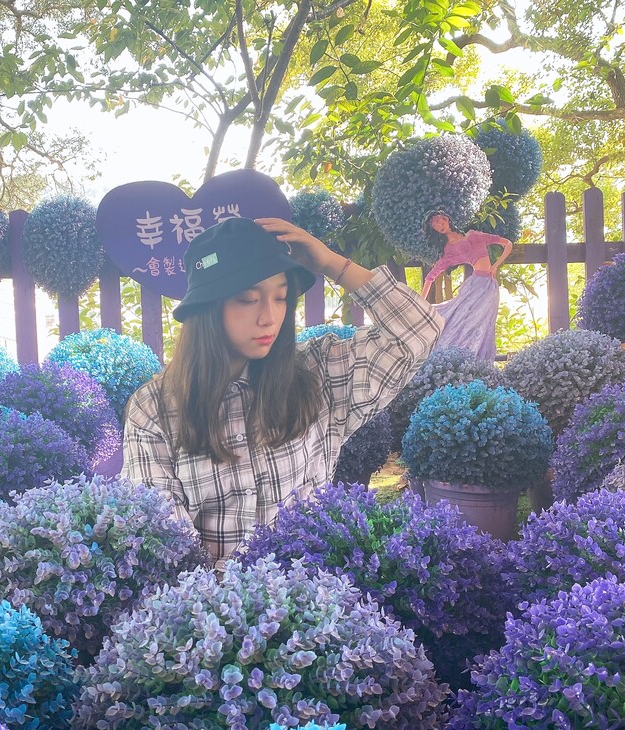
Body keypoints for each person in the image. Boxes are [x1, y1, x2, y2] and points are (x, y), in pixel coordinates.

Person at [121, 216, 444, 563]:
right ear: (207, 307)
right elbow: (165, 543)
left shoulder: (318, 374)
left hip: (312, 602)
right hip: (209, 609)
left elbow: (418, 329)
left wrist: (333, 263)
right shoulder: (154, 408)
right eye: (248, 299)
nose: (269, 317)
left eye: (281, 297)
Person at [420, 211, 513, 363]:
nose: (439, 226)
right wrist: (421, 304)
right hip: (475, 285)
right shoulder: (449, 250)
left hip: (489, 286)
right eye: (435, 226)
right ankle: (453, 361)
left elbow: (508, 244)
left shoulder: (475, 235)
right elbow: (430, 277)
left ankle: (478, 364)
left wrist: (495, 266)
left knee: (485, 324)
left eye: (439, 221)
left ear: (446, 219)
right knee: (462, 320)